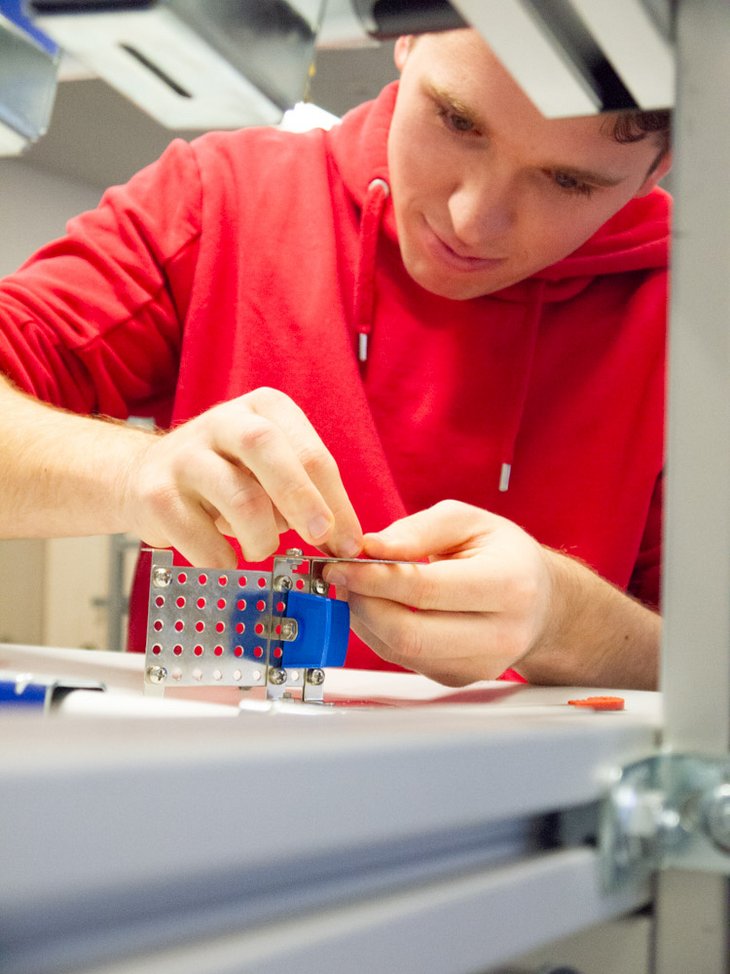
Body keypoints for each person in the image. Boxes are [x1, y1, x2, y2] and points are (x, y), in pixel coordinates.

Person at [0, 28, 671, 689]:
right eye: (458, 120)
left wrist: (564, 619)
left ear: (658, 169)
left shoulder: (695, 328)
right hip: (207, 786)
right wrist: (134, 472)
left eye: (567, 181)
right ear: (404, 39)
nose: (472, 219)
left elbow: (709, 670)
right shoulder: (222, 199)